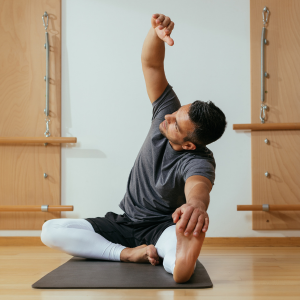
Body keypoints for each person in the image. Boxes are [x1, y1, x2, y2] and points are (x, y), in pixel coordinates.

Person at [41, 13, 227, 283]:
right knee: (50, 230)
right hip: (123, 222)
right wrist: (156, 32)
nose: (167, 118)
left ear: (189, 144)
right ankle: (127, 253)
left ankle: (181, 256)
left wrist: (196, 206)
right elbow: (152, 64)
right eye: (175, 112)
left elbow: (198, 187)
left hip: (162, 229)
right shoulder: (166, 113)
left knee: (175, 259)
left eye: (176, 123)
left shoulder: (199, 161)